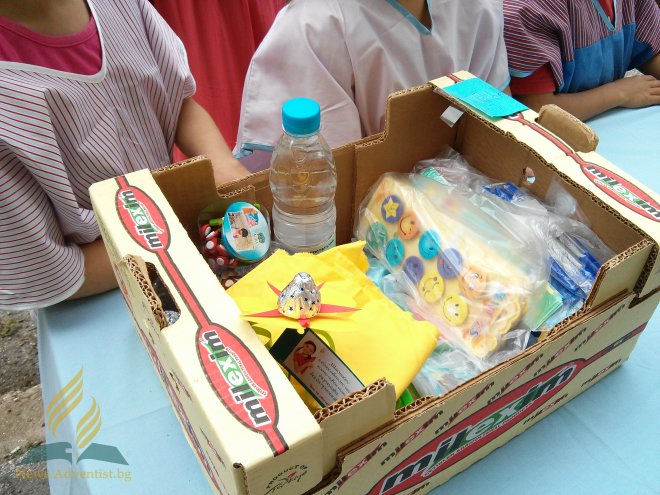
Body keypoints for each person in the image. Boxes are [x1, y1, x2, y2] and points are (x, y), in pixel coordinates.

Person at [0, 0, 249, 310]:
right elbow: (46, 273)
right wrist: (173, 236)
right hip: (101, 285)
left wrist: (222, 165)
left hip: (175, 230)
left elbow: (177, 100)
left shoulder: (123, 6)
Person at [235, 0, 511, 152]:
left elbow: (500, 119)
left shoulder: (478, 7)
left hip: (470, 192)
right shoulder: (314, 25)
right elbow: (320, 178)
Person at [503, 0, 660, 121]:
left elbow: (649, 49)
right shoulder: (529, 9)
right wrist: (619, 93)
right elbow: (538, 110)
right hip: (557, 140)